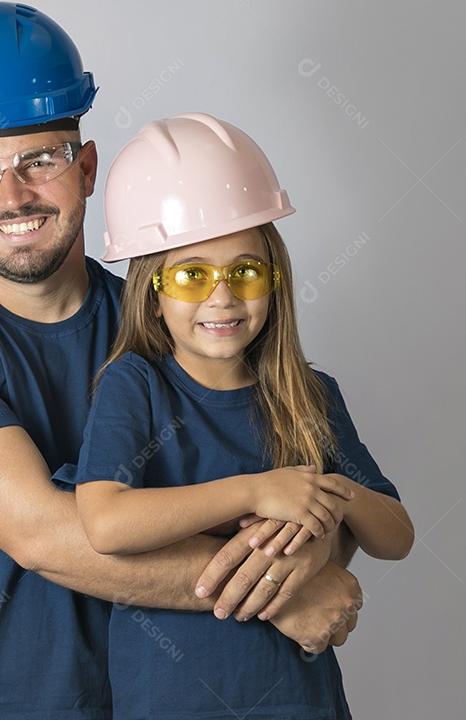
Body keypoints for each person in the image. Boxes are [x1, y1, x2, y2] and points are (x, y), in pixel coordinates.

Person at [0, 5, 364, 719]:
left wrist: (317, 544)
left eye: (40, 159)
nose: (12, 195)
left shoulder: (172, 322)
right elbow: (44, 534)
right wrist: (286, 593)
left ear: (86, 167)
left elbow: (279, 475)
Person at [58, 112, 414, 719]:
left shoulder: (311, 394)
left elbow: (396, 536)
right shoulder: (134, 385)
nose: (222, 297)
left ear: (275, 280)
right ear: (152, 290)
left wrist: (329, 497)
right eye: (192, 276)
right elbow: (106, 524)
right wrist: (257, 490)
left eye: (245, 272)